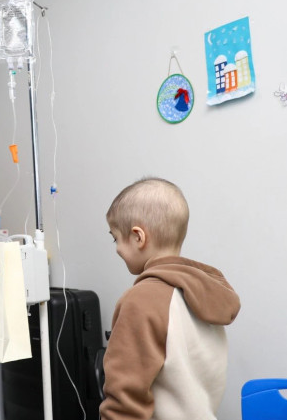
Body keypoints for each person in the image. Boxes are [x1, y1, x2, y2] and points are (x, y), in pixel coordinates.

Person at [101, 178, 241, 420]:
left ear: (138, 237)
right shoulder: (204, 293)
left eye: (116, 238)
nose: (117, 249)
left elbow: (124, 398)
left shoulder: (142, 301)